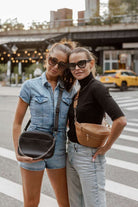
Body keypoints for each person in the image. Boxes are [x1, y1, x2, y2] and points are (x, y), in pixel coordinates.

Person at [12, 42, 76, 207]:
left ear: (66, 68)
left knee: (65, 202)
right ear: (47, 58)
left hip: (59, 150)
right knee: (32, 202)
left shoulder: (71, 90)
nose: (55, 67)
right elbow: (17, 123)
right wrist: (17, 152)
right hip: (32, 149)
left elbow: (74, 121)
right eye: (52, 61)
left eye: (61, 65)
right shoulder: (30, 86)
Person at [66, 47, 127, 207]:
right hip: (71, 152)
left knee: (95, 204)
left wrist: (106, 147)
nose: (77, 68)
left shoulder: (96, 88)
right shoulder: (80, 90)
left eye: (81, 63)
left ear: (91, 63)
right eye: (72, 65)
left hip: (88, 156)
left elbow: (120, 120)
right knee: (76, 204)